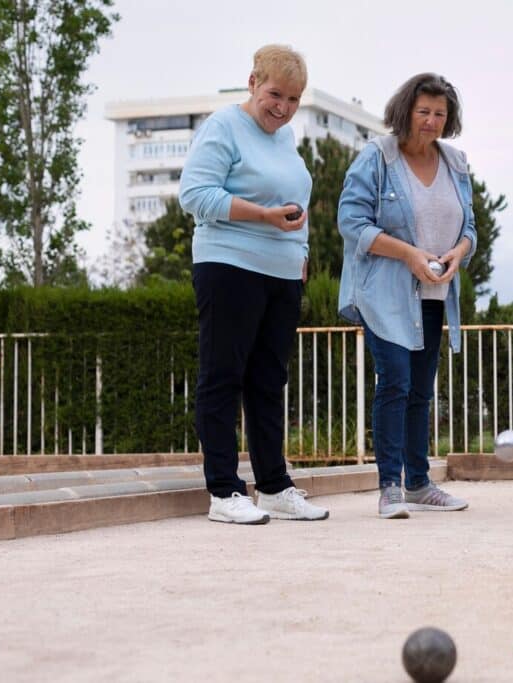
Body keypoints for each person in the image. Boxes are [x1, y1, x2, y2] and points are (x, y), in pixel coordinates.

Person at [180, 44, 328, 524]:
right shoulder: (224, 126)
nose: (283, 107)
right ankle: (223, 491)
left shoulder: (285, 140)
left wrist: (301, 254)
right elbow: (195, 194)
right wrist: (263, 214)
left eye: (293, 99)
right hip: (229, 264)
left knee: (269, 381)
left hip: (282, 273)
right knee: (223, 376)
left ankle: (273, 486)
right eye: (275, 94)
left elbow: (297, 206)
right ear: (252, 82)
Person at [338, 73, 477, 519]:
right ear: (406, 111)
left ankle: (418, 483)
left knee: (420, 390)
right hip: (386, 292)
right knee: (395, 382)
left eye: (440, 114)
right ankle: (389, 486)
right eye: (424, 112)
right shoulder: (377, 157)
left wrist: (458, 253)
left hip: (435, 292)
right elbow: (352, 223)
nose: (431, 121)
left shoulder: (455, 162)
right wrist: (409, 254)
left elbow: (470, 227)